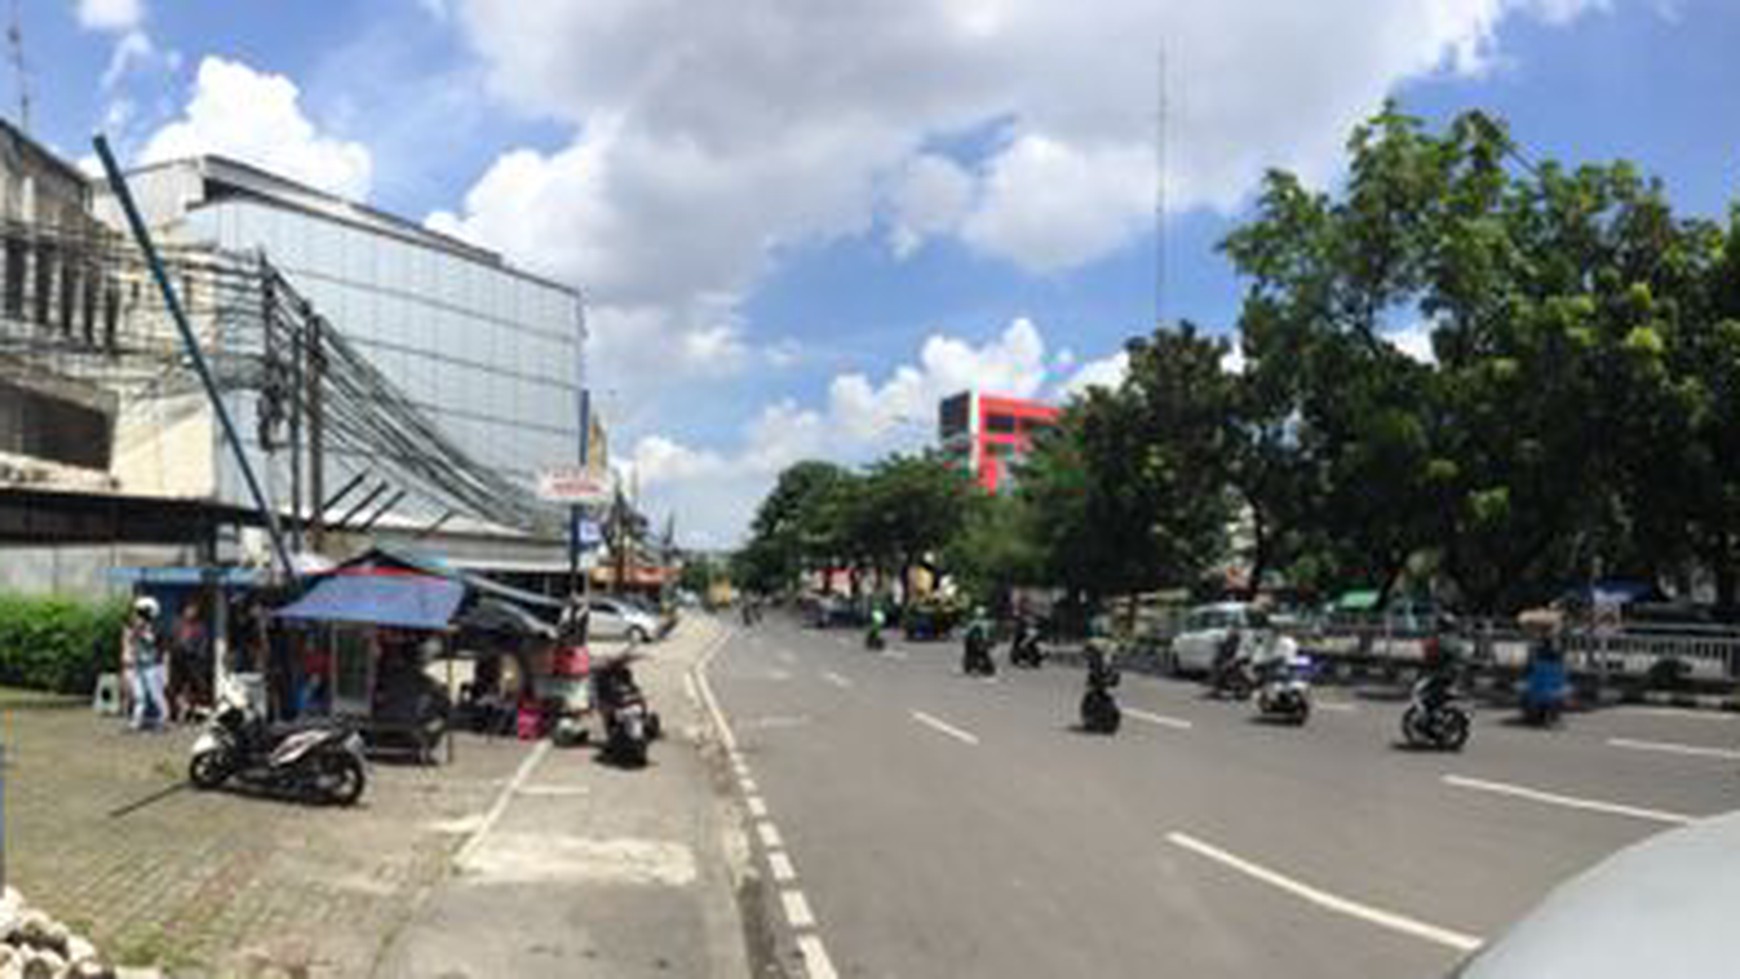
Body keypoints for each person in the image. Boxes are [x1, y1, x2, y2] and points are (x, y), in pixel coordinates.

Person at [126, 597, 167, 731]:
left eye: (141, 613)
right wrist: (135, 631)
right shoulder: (136, 628)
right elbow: (131, 642)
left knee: (156, 695)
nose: (138, 616)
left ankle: (162, 720)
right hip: (139, 665)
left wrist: (141, 631)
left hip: (153, 666)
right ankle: (136, 722)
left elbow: (153, 641)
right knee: (139, 696)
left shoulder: (157, 626)